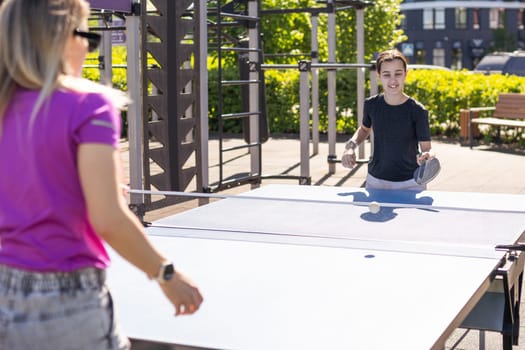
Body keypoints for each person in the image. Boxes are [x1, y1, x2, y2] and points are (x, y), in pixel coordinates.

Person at [0, 0, 203, 349]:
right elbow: (107, 218)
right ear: (62, 37)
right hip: (66, 299)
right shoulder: (89, 105)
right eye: (85, 35)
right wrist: (166, 274)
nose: (88, 48)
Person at [341, 49, 435, 191]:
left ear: (405, 74)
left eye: (398, 73)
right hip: (376, 181)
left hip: (411, 182)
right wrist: (350, 147)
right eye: (386, 74)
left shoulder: (418, 110)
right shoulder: (371, 104)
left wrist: (428, 156)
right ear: (379, 75)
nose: (392, 80)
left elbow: (427, 148)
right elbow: (364, 129)